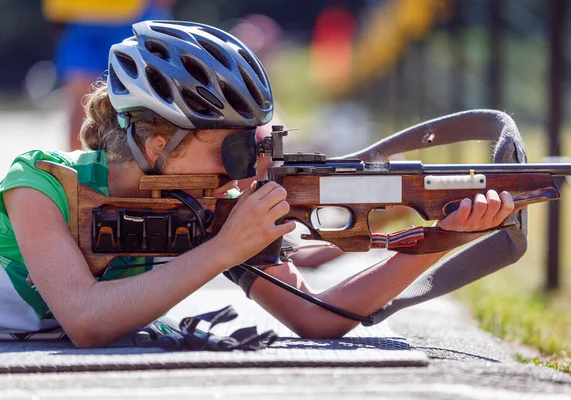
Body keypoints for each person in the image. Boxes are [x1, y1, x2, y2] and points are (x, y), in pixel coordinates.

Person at [0, 21, 515, 348]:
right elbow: (86, 322)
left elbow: (317, 319)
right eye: (231, 149)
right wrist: (224, 249)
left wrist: (441, 239)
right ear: (157, 143)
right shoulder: (40, 183)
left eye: (253, 146)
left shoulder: (214, 204)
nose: (245, 168)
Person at [43, 0, 176, 151]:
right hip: (128, 14)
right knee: (138, 102)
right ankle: (137, 167)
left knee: (79, 102)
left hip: (80, 14)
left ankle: (75, 170)